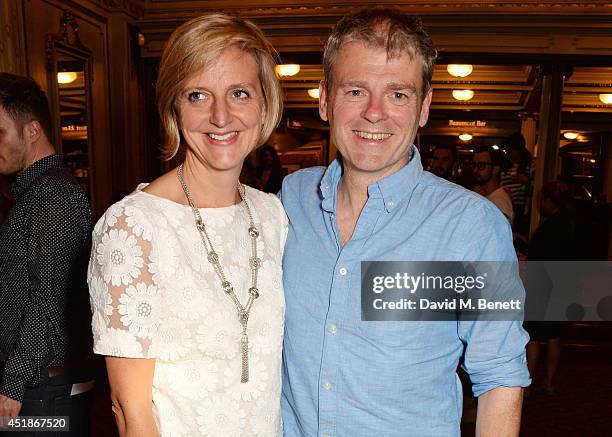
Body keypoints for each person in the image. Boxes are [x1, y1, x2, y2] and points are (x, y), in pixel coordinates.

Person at [280, 9, 530, 436]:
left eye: (398, 94)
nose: (375, 113)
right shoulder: (291, 200)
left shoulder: (471, 226)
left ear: (423, 107)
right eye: (356, 91)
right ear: (324, 100)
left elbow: (500, 375)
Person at [88, 13, 286, 436]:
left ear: (264, 104)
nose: (220, 116)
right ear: (173, 107)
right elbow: (130, 410)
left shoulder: (271, 215)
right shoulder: (133, 226)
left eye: (239, 93)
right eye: (197, 95)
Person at [0, 73, 93, 434]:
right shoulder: (34, 193)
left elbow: (47, 297)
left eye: (1, 132)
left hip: (44, 389)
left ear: (32, 131)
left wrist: (12, 384)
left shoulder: (53, 196)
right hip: (38, 384)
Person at [524, 181, 576, 396]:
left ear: (548, 201)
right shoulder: (568, 224)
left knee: (534, 335)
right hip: (561, 285)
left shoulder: (550, 227)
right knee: (553, 335)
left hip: (543, 285)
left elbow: (539, 259)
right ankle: (549, 381)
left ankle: (528, 382)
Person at [472, 145, 514, 223]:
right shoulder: (484, 195)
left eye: (481, 165)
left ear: (495, 169)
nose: (475, 170)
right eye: (474, 165)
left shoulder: (500, 201)